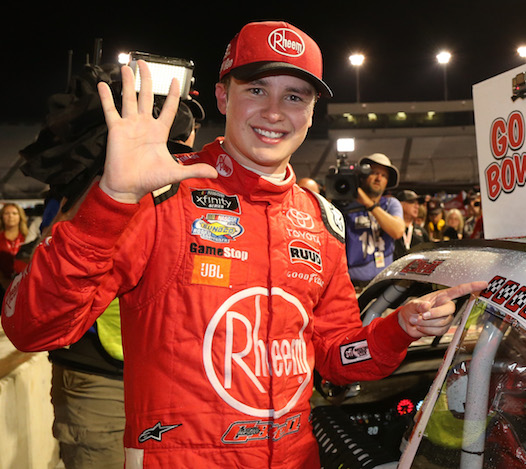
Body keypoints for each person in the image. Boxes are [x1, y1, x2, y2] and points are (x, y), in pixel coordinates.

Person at [2, 20, 485, 469]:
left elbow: (338, 359)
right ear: (222, 95)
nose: (274, 112)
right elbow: (33, 328)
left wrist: (400, 327)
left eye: (294, 96)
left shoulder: (323, 220)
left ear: (311, 113)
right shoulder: (162, 195)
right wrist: (111, 201)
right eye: (256, 89)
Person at [47, 97, 203, 469]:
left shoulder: (191, 189)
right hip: (100, 374)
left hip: (170, 377)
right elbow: (51, 276)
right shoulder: (91, 180)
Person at [343, 153, 405, 287]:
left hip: (384, 284)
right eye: (374, 173)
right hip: (353, 285)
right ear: (362, 176)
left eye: (384, 176)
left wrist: (369, 204)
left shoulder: (390, 204)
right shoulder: (346, 206)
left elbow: (398, 231)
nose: (379, 178)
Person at [0, 203, 28, 296]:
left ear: (20, 216)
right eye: (7, 213)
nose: (10, 216)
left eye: (14, 213)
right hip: (2, 286)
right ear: (2, 217)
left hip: (25, 286)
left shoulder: (28, 238)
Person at [394, 189, 427, 259]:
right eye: (412, 202)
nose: (417, 206)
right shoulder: (391, 229)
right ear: (400, 204)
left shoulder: (421, 232)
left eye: (418, 203)